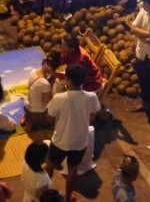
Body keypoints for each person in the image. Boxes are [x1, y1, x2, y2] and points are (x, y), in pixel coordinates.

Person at [44, 64, 100, 202]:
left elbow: (48, 119)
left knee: (50, 164)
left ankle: (44, 193)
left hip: (60, 141)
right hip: (80, 142)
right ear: (83, 80)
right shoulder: (91, 97)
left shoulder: (59, 98)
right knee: (72, 169)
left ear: (68, 80)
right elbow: (94, 113)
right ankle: (68, 196)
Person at [23, 52, 60, 130]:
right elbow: (48, 104)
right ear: (49, 66)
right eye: (55, 68)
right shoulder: (45, 83)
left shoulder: (33, 71)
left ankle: (27, 117)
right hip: (37, 114)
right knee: (56, 117)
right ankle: (34, 121)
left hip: (26, 107)